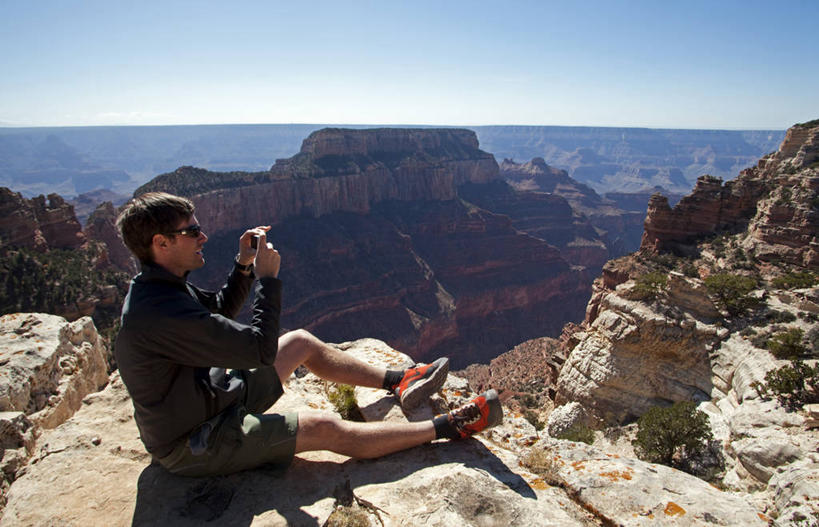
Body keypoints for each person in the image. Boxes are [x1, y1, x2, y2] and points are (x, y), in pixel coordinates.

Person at [114, 192, 503, 476]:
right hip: (195, 439)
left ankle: (399, 380)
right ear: (160, 243)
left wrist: (245, 264)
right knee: (323, 427)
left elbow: (217, 311)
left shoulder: (162, 285)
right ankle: (447, 427)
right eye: (192, 231)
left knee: (300, 341)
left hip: (214, 398)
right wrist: (268, 280)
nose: (203, 237)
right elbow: (260, 352)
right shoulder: (158, 311)